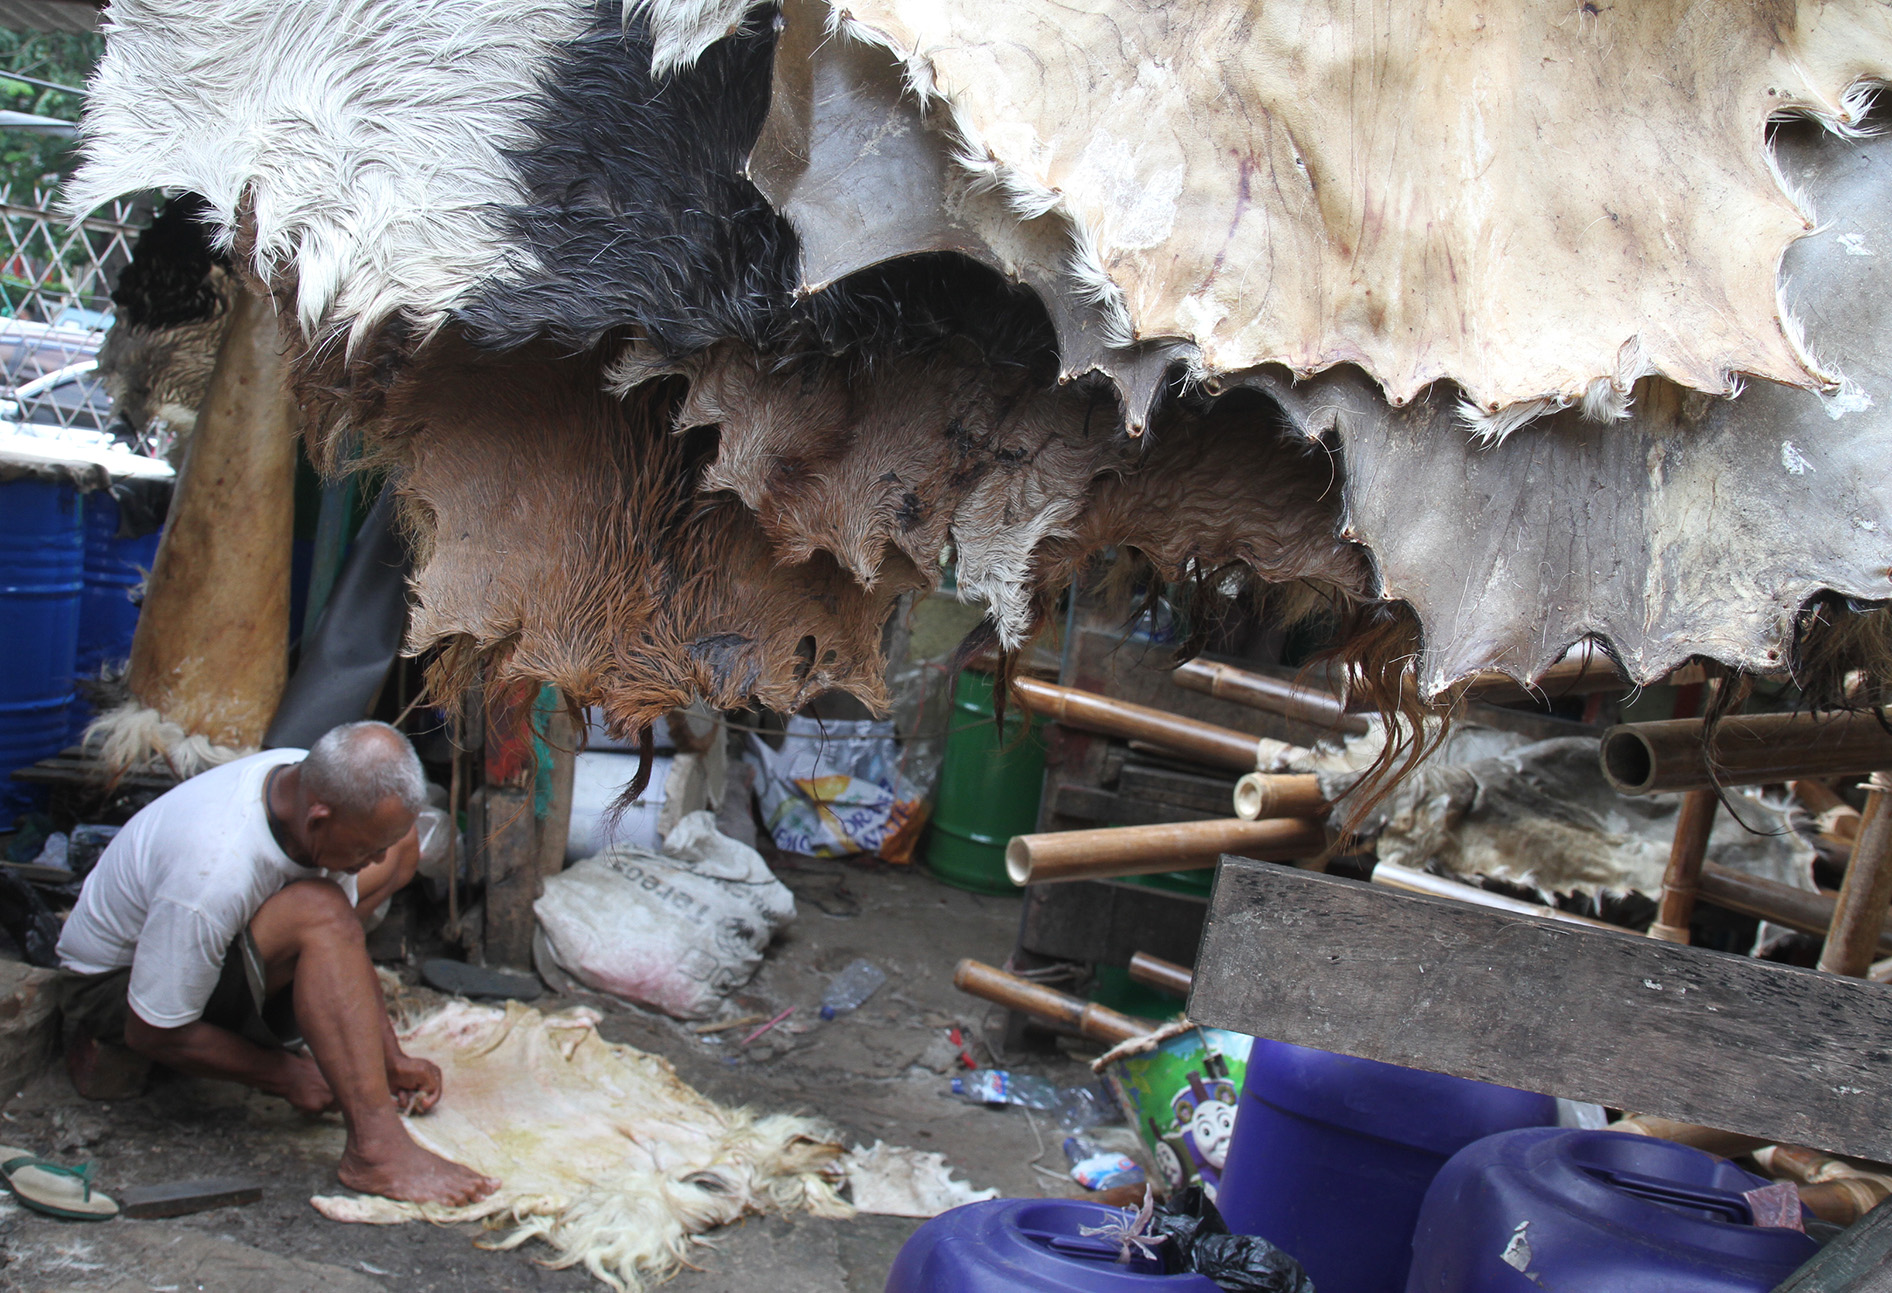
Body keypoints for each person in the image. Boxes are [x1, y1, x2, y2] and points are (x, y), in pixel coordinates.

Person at [54, 721, 498, 1206]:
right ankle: (376, 1150)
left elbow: (346, 938)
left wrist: (389, 1057)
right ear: (318, 818)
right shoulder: (214, 868)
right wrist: (284, 1074)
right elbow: (150, 1031)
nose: (369, 863)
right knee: (319, 912)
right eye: (360, 849)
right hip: (111, 989)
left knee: (397, 849)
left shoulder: (305, 782)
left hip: (202, 947)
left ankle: (350, 1065)